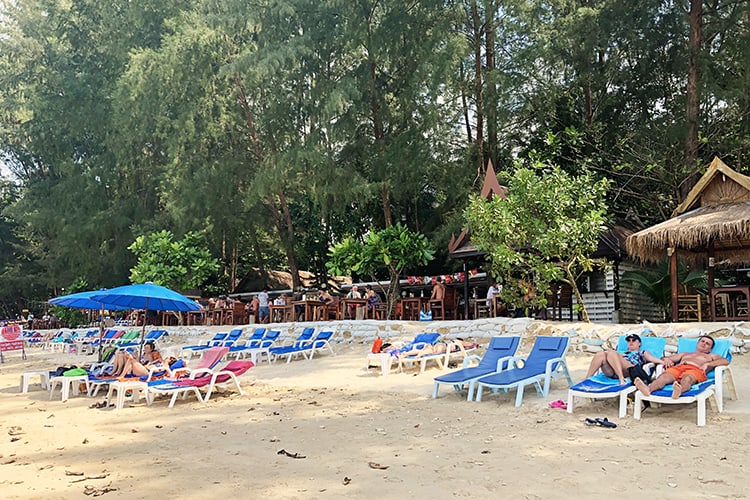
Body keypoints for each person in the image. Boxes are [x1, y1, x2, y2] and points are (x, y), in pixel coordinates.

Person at [634, 335, 729, 399]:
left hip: (695, 370)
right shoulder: (685, 354)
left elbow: (725, 361)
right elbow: (664, 358)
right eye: (702, 341)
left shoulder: (711, 356)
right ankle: (648, 390)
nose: (704, 344)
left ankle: (679, 391)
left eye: (707, 343)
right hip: (678, 368)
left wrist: (708, 364)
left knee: (687, 379)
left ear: (710, 349)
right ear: (697, 343)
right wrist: (666, 359)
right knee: (663, 377)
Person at [583, 334, 663, 385]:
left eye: (634, 340)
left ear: (639, 343)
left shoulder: (642, 353)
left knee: (611, 352)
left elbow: (653, 359)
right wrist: (618, 355)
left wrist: (664, 362)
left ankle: (622, 380)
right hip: (612, 371)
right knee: (600, 354)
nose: (631, 342)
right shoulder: (621, 352)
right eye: (629, 340)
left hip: (630, 370)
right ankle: (586, 379)